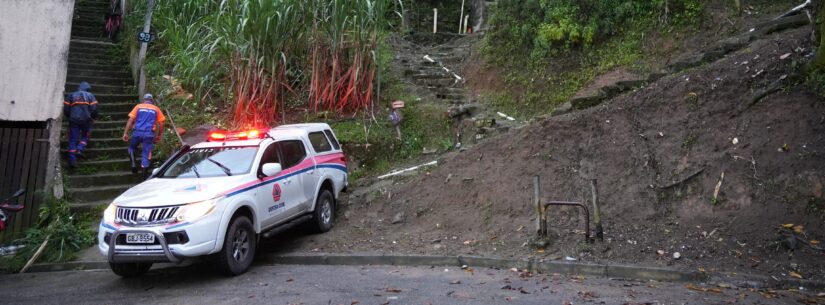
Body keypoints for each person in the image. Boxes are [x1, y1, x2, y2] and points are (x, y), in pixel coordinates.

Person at [122, 93, 165, 178]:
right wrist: (159, 135)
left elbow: (131, 120)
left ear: (144, 100)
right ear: (152, 100)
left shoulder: (138, 106)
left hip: (137, 132)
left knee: (131, 148)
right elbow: (162, 123)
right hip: (149, 134)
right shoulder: (156, 109)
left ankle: (133, 164)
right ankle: (144, 177)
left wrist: (125, 133)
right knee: (146, 154)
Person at [63, 81, 98, 168]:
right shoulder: (90, 96)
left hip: (73, 120)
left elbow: (66, 109)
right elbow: (94, 109)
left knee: (72, 140)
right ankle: (80, 148)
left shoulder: (71, 95)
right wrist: (92, 118)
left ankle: (72, 161)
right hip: (86, 119)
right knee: (86, 135)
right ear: (88, 89)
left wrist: (69, 116)